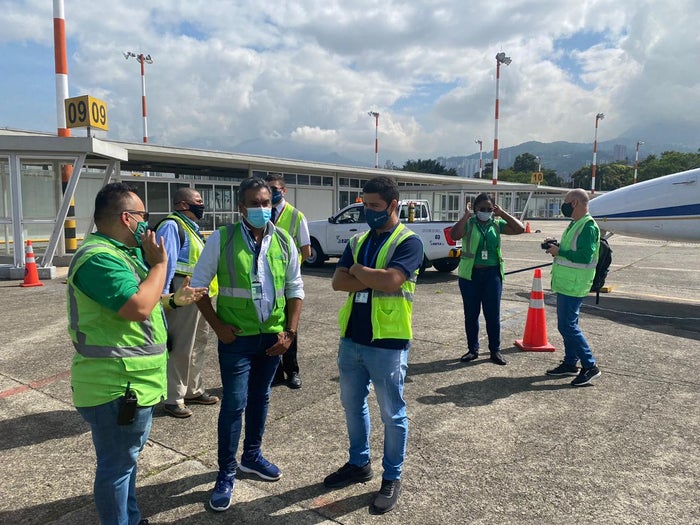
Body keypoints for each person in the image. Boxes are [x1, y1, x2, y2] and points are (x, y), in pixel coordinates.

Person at [67, 182, 207, 525]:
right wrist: (160, 265)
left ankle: (131, 517)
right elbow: (137, 307)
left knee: (126, 462)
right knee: (117, 467)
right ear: (127, 218)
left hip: (132, 384)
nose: (148, 223)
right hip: (114, 387)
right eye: (143, 216)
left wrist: (174, 300)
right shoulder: (99, 258)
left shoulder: (121, 254)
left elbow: (143, 302)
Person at [190, 177, 304, 512]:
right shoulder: (222, 239)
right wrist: (218, 327)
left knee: (261, 398)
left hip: (272, 339)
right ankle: (226, 472)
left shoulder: (283, 240)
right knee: (234, 403)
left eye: (266, 202)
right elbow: (198, 287)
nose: (261, 208)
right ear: (241, 207)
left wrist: (289, 333)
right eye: (254, 203)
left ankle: (251, 456)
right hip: (236, 339)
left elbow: (295, 288)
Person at [323, 176, 424, 515]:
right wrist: (369, 276)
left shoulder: (408, 242)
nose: (369, 211)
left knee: (392, 414)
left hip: (388, 342)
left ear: (393, 205)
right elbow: (338, 282)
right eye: (365, 205)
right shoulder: (359, 239)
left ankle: (392, 477)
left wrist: (357, 270)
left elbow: (392, 280)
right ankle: (359, 463)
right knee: (353, 406)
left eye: (375, 206)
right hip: (352, 338)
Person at [156, 188, 220, 418]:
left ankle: (193, 389)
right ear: (183, 204)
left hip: (199, 295)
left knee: (198, 343)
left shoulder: (191, 228)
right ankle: (173, 397)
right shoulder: (172, 226)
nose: (202, 205)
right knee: (181, 346)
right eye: (198, 201)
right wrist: (165, 299)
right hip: (182, 293)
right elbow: (165, 264)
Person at [450, 192, 525, 366]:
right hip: (470, 275)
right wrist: (466, 216)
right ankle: (473, 349)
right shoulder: (469, 223)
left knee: (493, 314)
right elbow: (454, 235)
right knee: (471, 314)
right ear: (475, 208)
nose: (485, 212)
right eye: (481, 208)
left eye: (489, 209)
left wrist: (502, 213)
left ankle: (495, 350)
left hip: (492, 275)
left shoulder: (496, 224)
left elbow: (519, 229)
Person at [544, 188, 602, 386]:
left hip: (575, 284)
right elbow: (572, 250)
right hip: (567, 283)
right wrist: (556, 247)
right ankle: (570, 362)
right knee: (569, 325)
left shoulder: (588, 226)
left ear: (575, 203)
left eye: (566, 201)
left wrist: (560, 251)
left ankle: (590, 365)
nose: (564, 205)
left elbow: (585, 256)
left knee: (567, 326)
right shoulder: (575, 224)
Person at [265, 173, 311, 389]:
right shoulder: (262, 212)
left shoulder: (296, 216)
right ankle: (275, 372)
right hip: (266, 280)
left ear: (284, 191)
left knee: (290, 325)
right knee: (271, 324)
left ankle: (292, 371)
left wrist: (289, 269)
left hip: (287, 281)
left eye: (275, 188)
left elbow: (306, 250)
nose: (271, 192)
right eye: (268, 188)